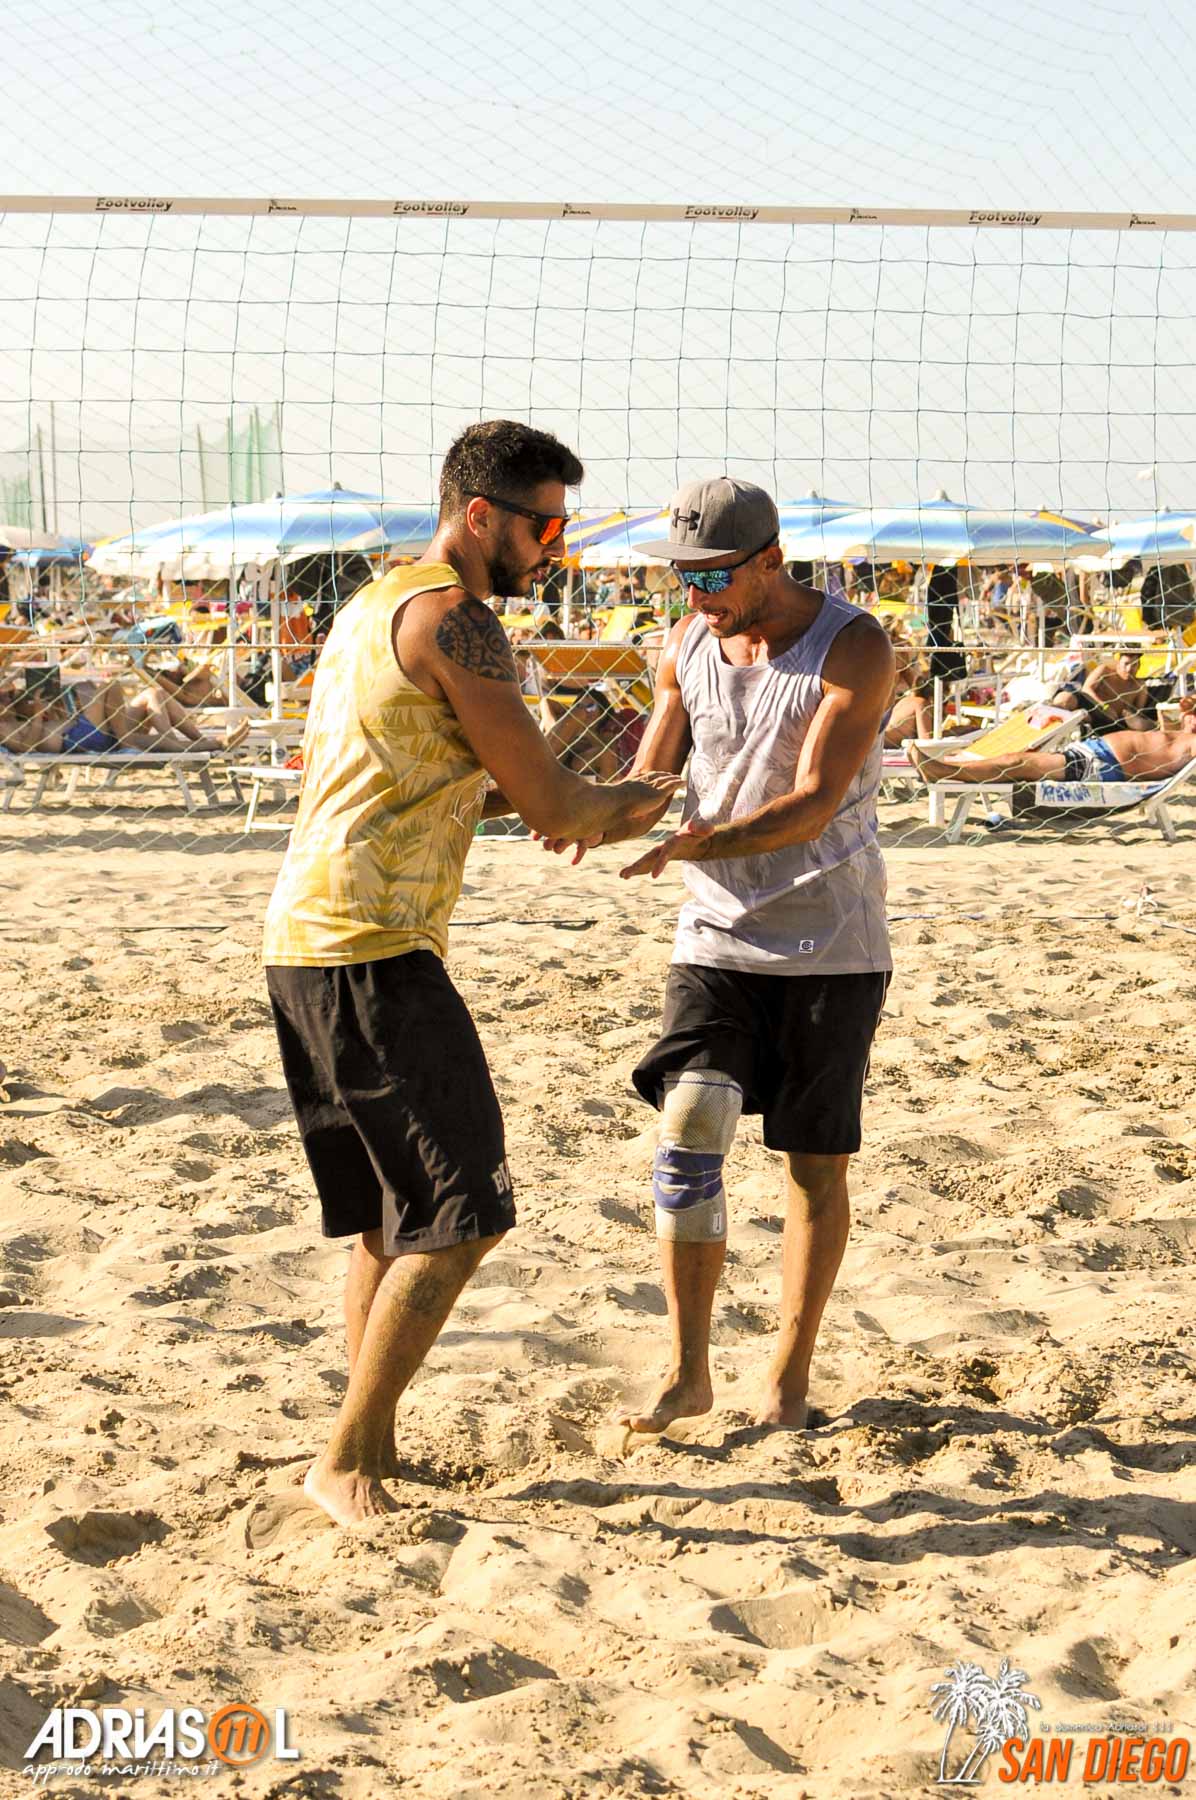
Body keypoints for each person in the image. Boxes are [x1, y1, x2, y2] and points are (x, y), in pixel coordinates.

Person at [261, 419, 677, 1527]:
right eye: (544, 527)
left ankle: (373, 1447)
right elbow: (559, 803)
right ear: (479, 514)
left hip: (306, 940)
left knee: (391, 1219)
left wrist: (517, 800)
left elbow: (420, 773)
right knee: (465, 1212)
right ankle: (346, 1460)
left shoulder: (376, 602)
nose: (554, 549)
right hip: (373, 946)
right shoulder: (458, 618)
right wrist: (635, 800)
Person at [551, 477, 894, 1436]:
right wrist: (584, 814)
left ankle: (787, 1376)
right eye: (683, 577)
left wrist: (690, 845)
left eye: (712, 576)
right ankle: (687, 1371)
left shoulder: (854, 645)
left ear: (771, 561)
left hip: (832, 942)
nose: (694, 594)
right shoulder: (687, 642)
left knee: (814, 1166)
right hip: (714, 937)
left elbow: (814, 805)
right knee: (690, 1133)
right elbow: (651, 780)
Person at [911, 698, 1196, 787]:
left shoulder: (1191, 743)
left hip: (1102, 765)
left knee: (1017, 762)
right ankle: (947, 766)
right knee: (1017, 758)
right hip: (1092, 751)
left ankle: (944, 772)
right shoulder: (1179, 730)